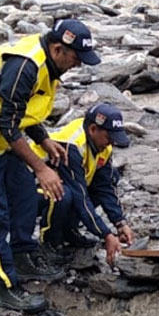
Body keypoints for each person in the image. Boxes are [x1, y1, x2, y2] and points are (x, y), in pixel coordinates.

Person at [0, 19, 101, 313]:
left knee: (25, 193)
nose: (78, 64)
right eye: (76, 57)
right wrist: (41, 167)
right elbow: (8, 124)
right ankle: (5, 286)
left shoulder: (50, 65)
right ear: (57, 48)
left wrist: (43, 138)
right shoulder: (26, 66)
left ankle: (23, 255)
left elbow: (21, 111)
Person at [34, 103, 135, 267]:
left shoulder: (102, 145)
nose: (111, 144)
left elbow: (105, 187)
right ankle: (50, 243)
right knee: (63, 194)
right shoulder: (72, 145)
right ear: (93, 129)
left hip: (68, 183)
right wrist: (106, 235)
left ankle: (69, 231)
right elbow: (80, 196)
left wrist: (120, 223)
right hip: (30, 187)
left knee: (111, 177)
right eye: (109, 138)